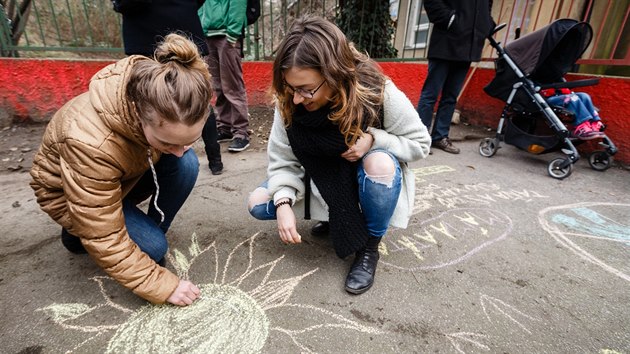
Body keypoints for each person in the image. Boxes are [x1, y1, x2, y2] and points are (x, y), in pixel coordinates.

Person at [246, 15, 431, 294]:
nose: (296, 99)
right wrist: (283, 203)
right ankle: (334, 216)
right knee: (258, 204)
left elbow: (420, 144)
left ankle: (370, 245)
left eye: (306, 90)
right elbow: (283, 160)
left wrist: (374, 140)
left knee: (379, 162)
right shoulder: (289, 99)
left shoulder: (376, 90)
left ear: (334, 74)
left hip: (363, 179)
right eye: (291, 88)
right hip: (319, 181)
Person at [30, 34, 212, 306]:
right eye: (168, 142)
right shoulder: (89, 141)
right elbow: (104, 235)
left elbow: (173, 147)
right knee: (153, 250)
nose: (178, 149)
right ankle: (77, 232)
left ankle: (144, 233)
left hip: (121, 177)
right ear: (138, 115)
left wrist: (172, 145)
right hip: (71, 195)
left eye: (188, 141)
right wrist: (160, 284)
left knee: (185, 164)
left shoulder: (161, 98)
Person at [114, 0, 223, 175]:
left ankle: (170, 164)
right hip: (183, 24)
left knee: (189, 101)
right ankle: (214, 161)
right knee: (194, 99)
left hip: (146, 33)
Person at [417, 0, 494, 154]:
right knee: (430, 94)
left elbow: (486, 7)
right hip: (444, 44)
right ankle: (420, 139)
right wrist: (451, 20)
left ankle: (440, 137)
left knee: (451, 97)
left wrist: (486, 25)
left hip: (468, 47)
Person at [198, 0, 251, 153]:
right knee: (218, 86)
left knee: (232, 87)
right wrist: (202, 27)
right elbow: (201, 5)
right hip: (208, 36)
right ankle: (225, 127)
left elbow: (238, 5)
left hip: (227, 37)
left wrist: (233, 34)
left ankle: (241, 132)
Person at [541, 88, 605, 140]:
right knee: (572, 97)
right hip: (550, 98)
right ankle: (581, 128)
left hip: (563, 95)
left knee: (584, 96)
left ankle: (593, 124)